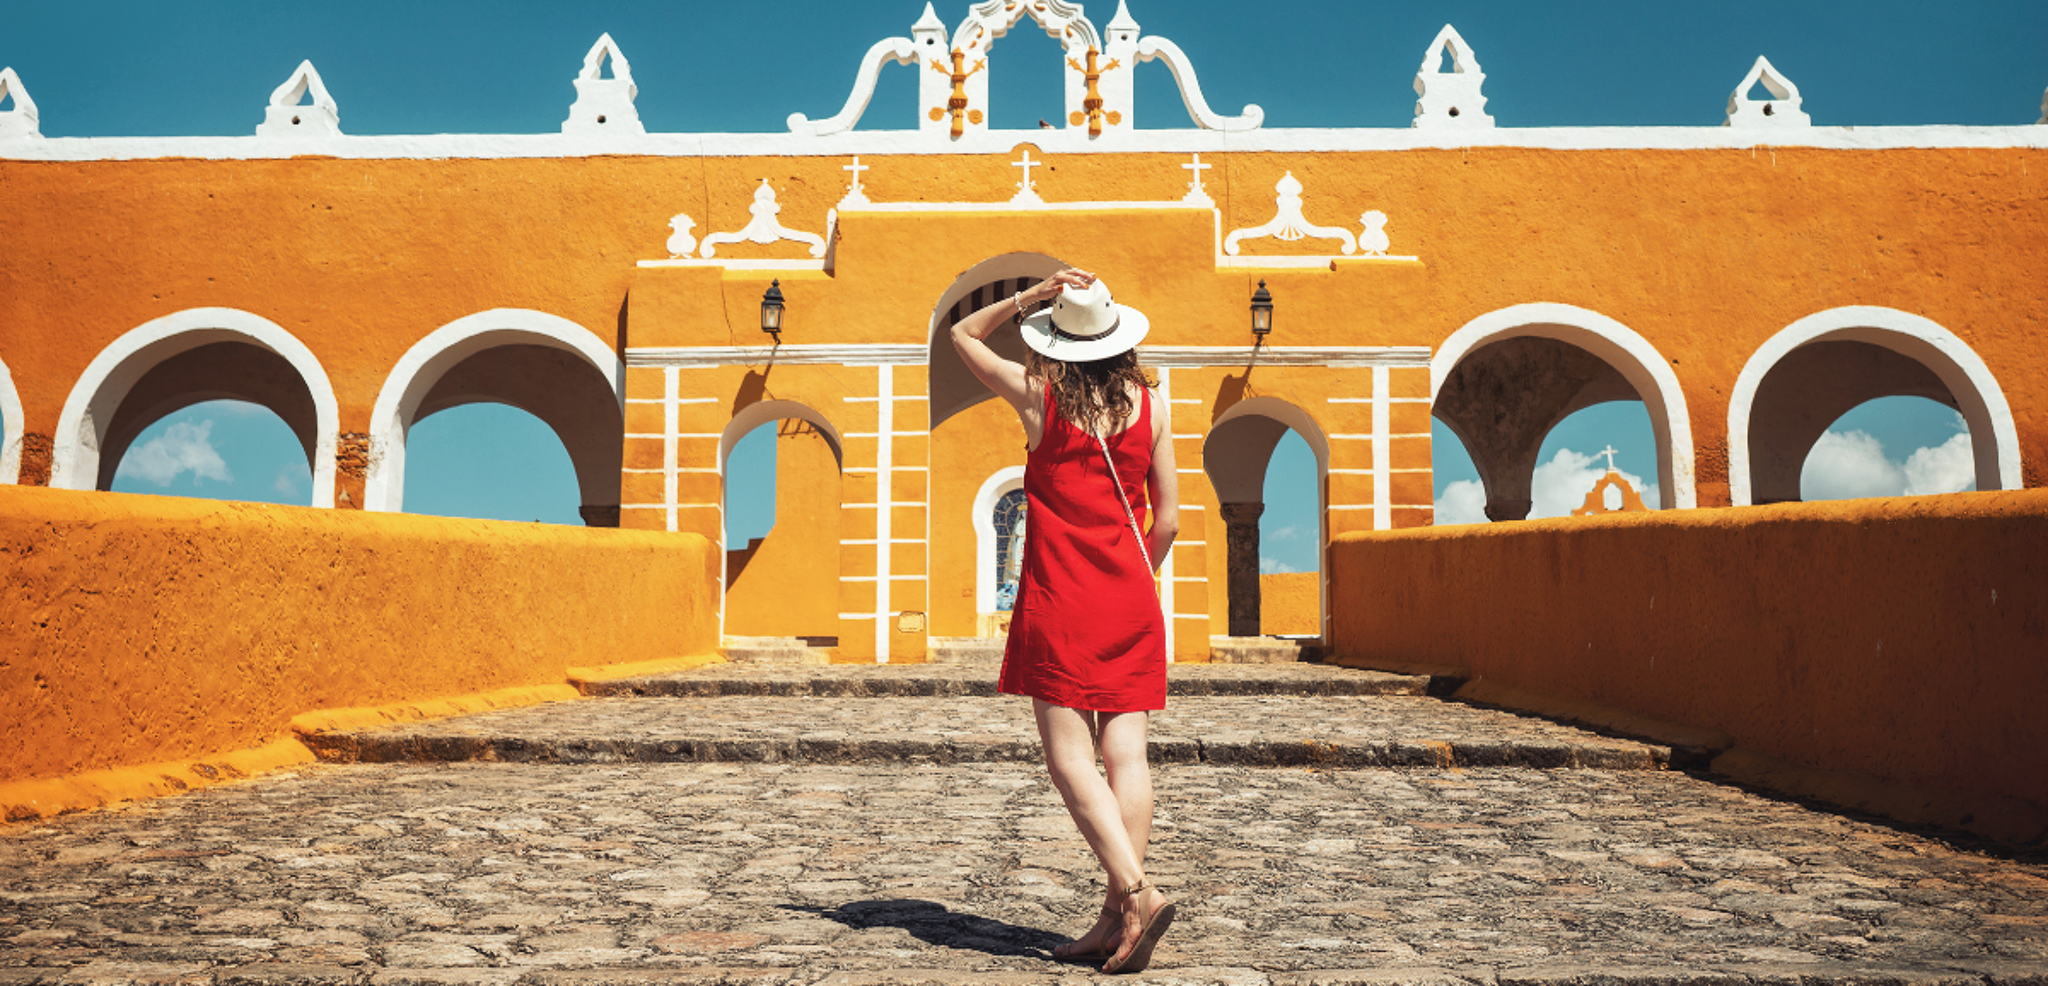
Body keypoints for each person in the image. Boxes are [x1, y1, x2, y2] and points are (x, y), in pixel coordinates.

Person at [949, 268, 1180, 974]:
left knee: (1069, 759)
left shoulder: (1038, 397)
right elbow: (1167, 519)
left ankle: (1137, 891)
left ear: (1059, 343)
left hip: (1062, 597)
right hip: (1133, 593)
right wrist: (1131, 573)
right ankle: (1116, 919)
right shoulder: (1154, 403)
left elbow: (960, 334)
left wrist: (1029, 297)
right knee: (1127, 756)